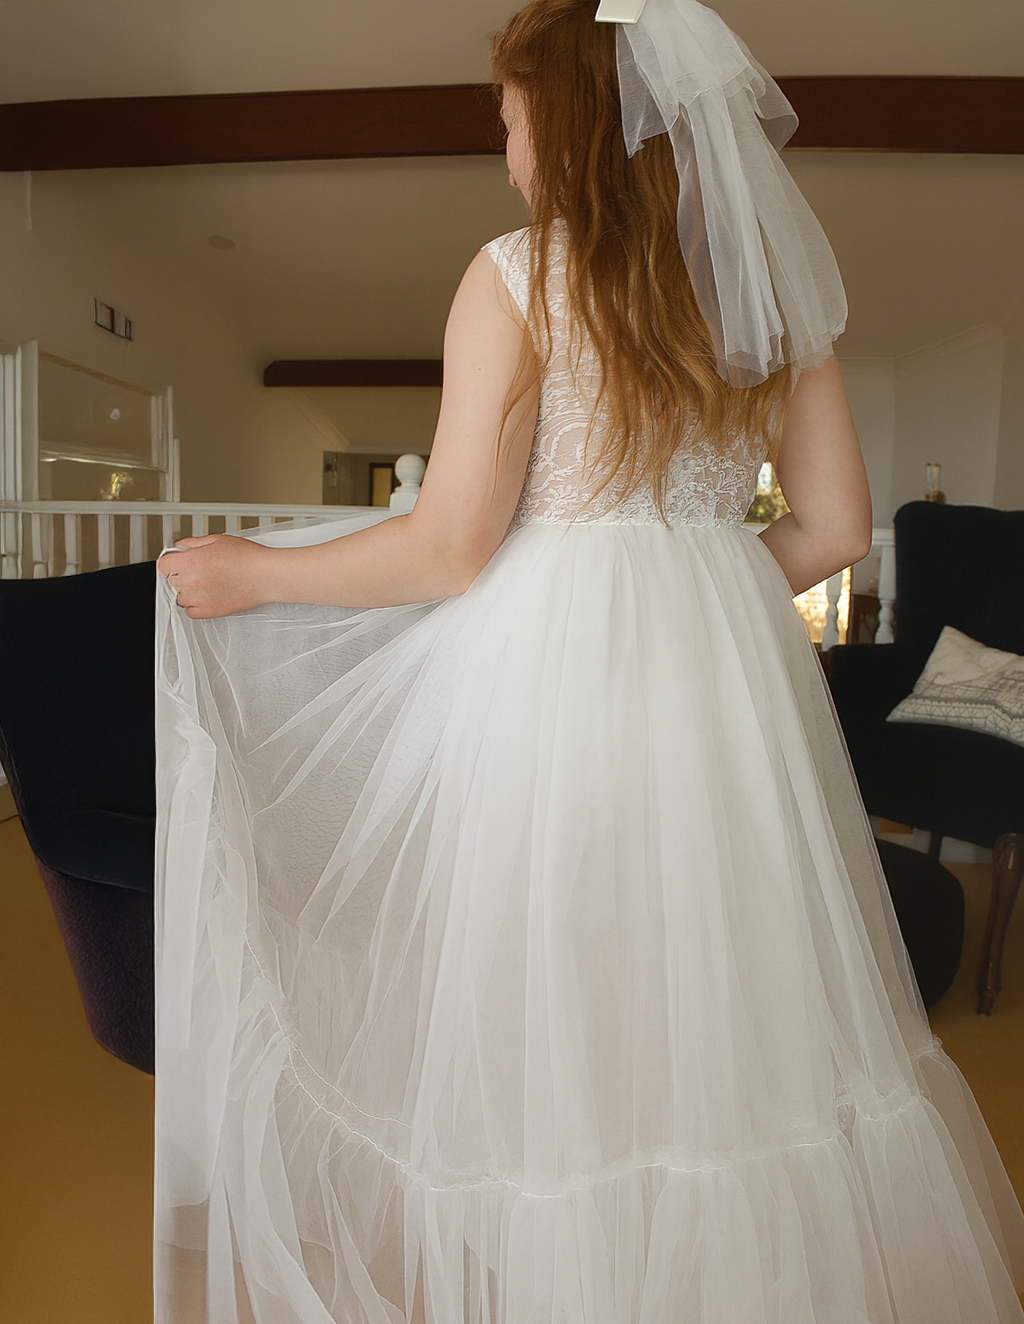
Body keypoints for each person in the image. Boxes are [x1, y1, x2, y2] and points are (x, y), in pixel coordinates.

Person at [154, 2, 1024, 1320]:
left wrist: (255, 573)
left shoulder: (518, 275)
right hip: (726, 709)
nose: (502, 137)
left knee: (559, 1024)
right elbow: (838, 527)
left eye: (508, 108)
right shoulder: (767, 294)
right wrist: (699, 594)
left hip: (552, 699)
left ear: (564, 118)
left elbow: (451, 547)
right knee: (725, 1035)